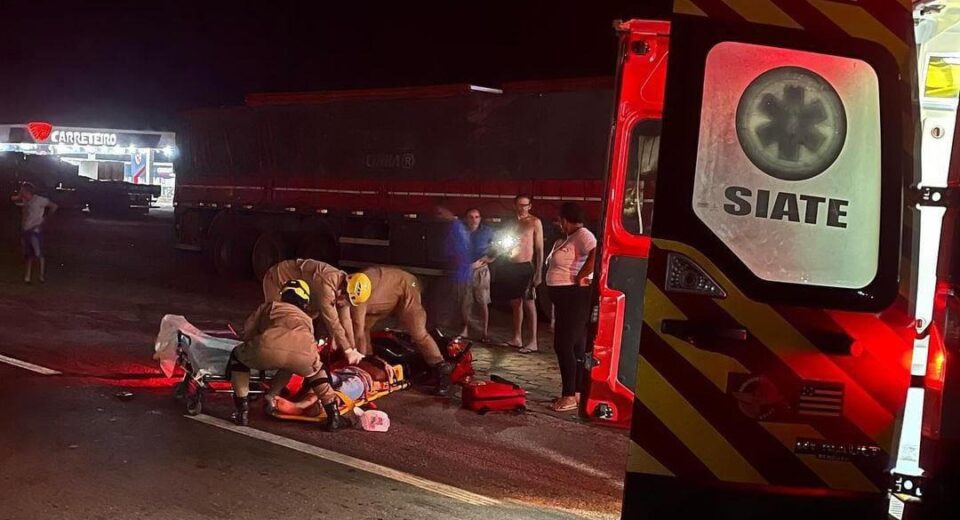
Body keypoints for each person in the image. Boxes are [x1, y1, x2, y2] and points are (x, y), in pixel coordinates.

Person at [228, 280, 346, 430]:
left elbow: (247, 332)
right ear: (305, 302)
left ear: (283, 295)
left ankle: (242, 412)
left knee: (238, 357)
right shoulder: (307, 319)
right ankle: (333, 415)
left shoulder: (269, 307)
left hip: (267, 349)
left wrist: (255, 346)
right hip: (302, 355)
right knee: (315, 372)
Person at [261, 259, 372, 406]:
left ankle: (276, 386)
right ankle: (271, 368)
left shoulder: (344, 290)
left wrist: (352, 349)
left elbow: (346, 321)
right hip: (278, 279)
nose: (342, 303)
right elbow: (332, 321)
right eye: (344, 299)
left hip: (306, 292)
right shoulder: (326, 286)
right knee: (283, 321)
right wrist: (347, 349)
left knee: (302, 335)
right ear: (344, 288)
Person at [350, 266, 454, 396]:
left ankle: (441, 369)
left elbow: (357, 331)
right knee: (364, 327)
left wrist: (356, 357)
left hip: (406, 286)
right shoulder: (351, 292)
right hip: (381, 297)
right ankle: (371, 361)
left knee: (419, 333)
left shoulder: (357, 293)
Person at [545, 202, 597, 412]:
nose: (559, 224)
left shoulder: (583, 234)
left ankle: (568, 394)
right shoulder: (568, 238)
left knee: (563, 345)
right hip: (564, 299)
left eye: (560, 220)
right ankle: (576, 392)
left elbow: (596, 253)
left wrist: (581, 276)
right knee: (575, 345)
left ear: (566, 219)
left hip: (575, 297)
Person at [492, 194, 543, 353]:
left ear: (530, 206)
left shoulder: (534, 222)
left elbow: (539, 249)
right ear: (515, 205)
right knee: (515, 303)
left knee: (529, 303)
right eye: (520, 205)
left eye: (525, 205)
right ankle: (517, 337)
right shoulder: (511, 222)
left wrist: (539, 272)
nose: (522, 208)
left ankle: (533, 341)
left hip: (525, 267)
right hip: (511, 266)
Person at [11, 182, 57, 284]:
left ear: (27, 191)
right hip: (26, 230)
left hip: (35, 231)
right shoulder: (26, 201)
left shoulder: (39, 200)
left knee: (37, 253)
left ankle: (40, 276)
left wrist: (44, 220)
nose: (20, 191)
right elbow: (13, 199)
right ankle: (28, 277)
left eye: (22, 190)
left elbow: (53, 206)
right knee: (28, 254)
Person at [459, 208, 494, 340]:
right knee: (465, 301)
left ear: (480, 218)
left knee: (482, 302)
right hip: (465, 270)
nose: (474, 220)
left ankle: (484, 332)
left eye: (477, 217)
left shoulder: (487, 232)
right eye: (471, 217)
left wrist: (487, 260)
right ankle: (465, 330)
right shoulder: (461, 232)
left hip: (481, 271)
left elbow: (498, 248)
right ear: (466, 218)